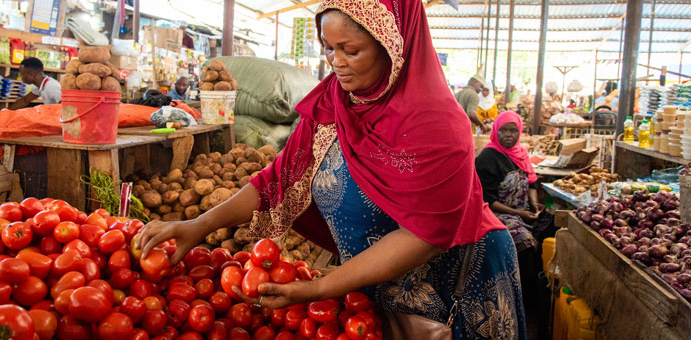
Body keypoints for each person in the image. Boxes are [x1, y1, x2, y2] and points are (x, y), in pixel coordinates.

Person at [136, 0, 526, 339]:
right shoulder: (334, 104)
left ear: (393, 48)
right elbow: (278, 180)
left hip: (459, 284)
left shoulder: (439, 126)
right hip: (379, 287)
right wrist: (199, 225)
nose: (336, 62)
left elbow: (423, 235)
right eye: (328, 48)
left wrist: (320, 288)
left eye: (350, 50)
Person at [474, 111, 556, 339]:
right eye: (504, 130)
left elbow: (531, 181)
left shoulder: (520, 153)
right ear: (495, 131)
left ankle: (542, 295)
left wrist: (534, 206)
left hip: (522, 212)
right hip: (498, 214)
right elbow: (488, 199)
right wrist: (518, 213)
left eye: (513, 131)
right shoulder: (487, 158)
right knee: (526, 243)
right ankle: (523, 301)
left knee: (550, 228)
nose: (509, 135)